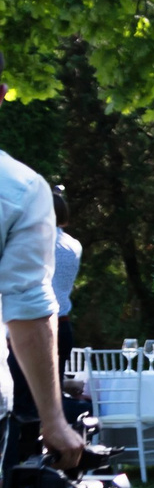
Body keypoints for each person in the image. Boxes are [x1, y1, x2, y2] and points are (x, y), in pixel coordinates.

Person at [0, 151, 81, 469]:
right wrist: (55, 419)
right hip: (42, 329)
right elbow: (28, 300)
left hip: (34, 330)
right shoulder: (21, 187)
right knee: (29, 406)